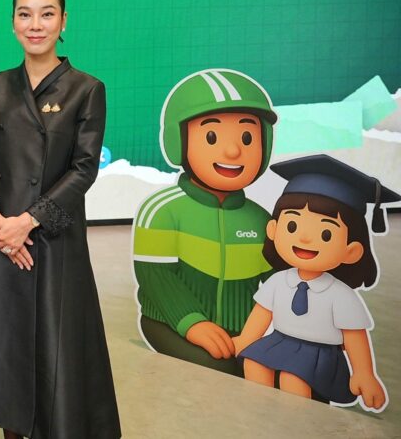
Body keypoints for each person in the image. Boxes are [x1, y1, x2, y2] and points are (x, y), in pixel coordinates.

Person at [0, 0, 121, 439]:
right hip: (0, 237)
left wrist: (29, 221)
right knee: (4, 349)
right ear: (13, 22)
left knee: (54, 350)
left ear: (63, 22)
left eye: (46, 14)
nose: (35, 24)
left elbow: (83, 168)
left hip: (53, 240)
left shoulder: (86, 88)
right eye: (25, 14)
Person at [132, 69, 277, 374]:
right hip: (170, 323)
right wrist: (192, 322)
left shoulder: (262, 220)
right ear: (178, 141)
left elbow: (282, 284)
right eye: (212, 137)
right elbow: (157, 278)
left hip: (245, 332)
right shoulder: (162, 210)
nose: (233, 151)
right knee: (224, 370)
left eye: (247, 137)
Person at [233, 155, 394, 411]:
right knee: (254, 363)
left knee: (293, 378)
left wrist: (364, 373)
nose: (305, 238)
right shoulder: (279, 281)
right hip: (280, 341)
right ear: (273, 230)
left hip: (318, 354)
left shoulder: (340, 295)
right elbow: (262, 314)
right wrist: (245, 339)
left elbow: (354, 335)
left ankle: (295, 421)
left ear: (352, 251)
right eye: (292, 226)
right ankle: (260, 411)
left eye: (326, 233)